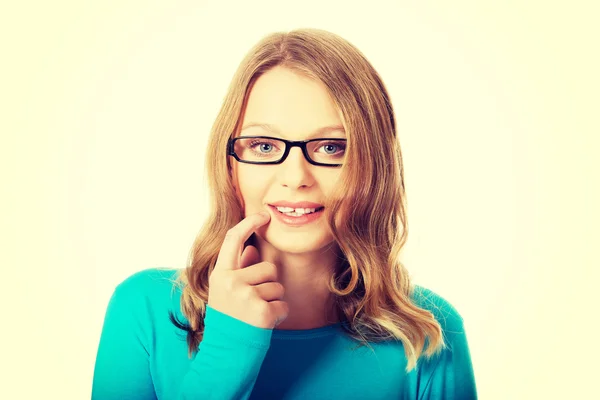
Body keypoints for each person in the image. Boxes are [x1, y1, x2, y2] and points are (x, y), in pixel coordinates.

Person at [92, 28, 478, 399]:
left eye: (331, 147)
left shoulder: (429, 333)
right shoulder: (143, 310)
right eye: (263, 145)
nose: (295, 178)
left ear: (373, 166)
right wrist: (230, 344)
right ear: (231, 165)